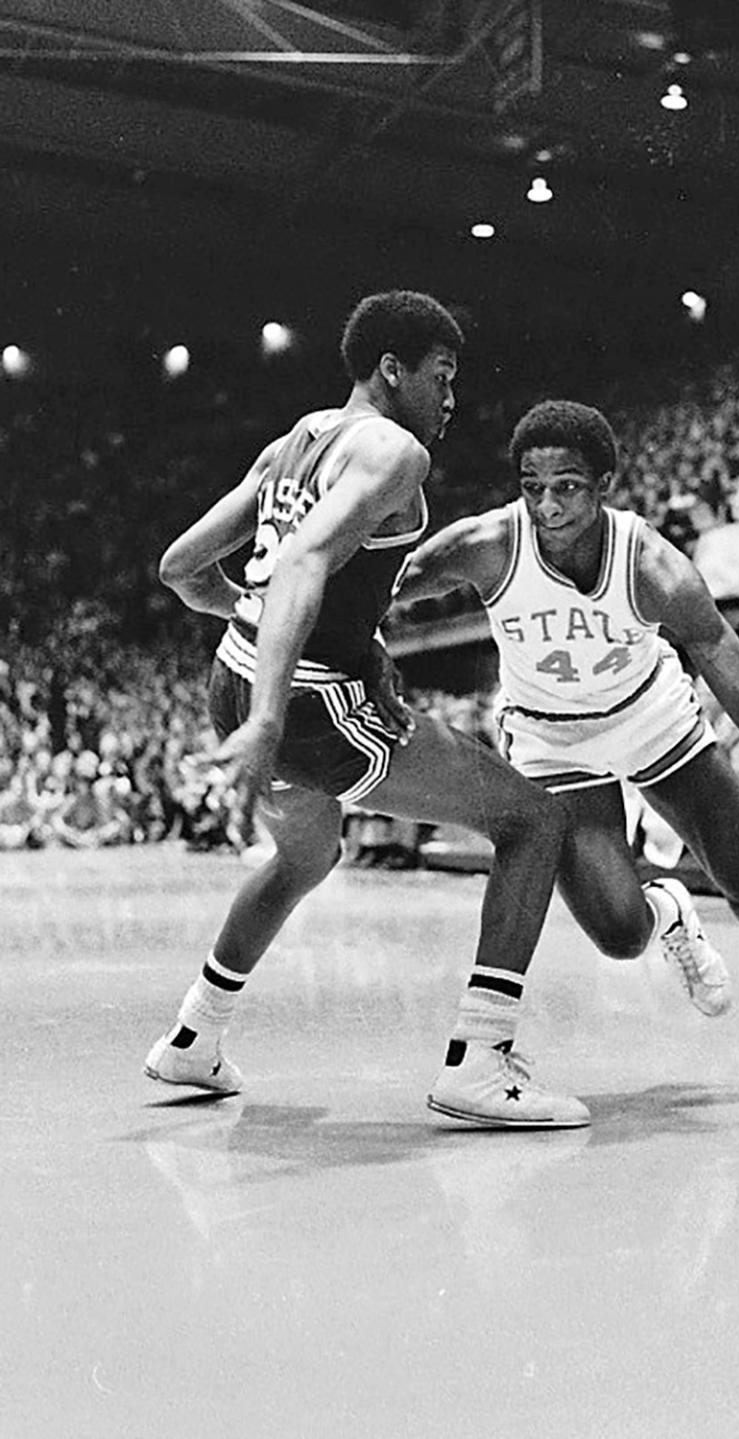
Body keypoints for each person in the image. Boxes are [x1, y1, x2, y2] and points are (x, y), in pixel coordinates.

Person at [144, 290, 585, 1129]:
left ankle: (194, 1037)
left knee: (305, 857)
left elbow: (181, 566)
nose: (451, 398)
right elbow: (308, 560)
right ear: (393, 369)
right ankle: (480, 1064)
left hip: (229, 674)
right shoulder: (396, 453)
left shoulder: (294, 441)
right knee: (532, 820)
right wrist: (273, 715)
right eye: (441, 376)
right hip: (305, 703)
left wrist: (253, 628)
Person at [395, 400, 739, 1083]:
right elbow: (379, 587)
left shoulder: (653, 565)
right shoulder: (487, 544)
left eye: (567, 486)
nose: (548, 506)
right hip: (554, 742)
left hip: (655, 723)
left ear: (606, 484)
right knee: (621, 933)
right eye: (532, 487)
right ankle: (670, 911)